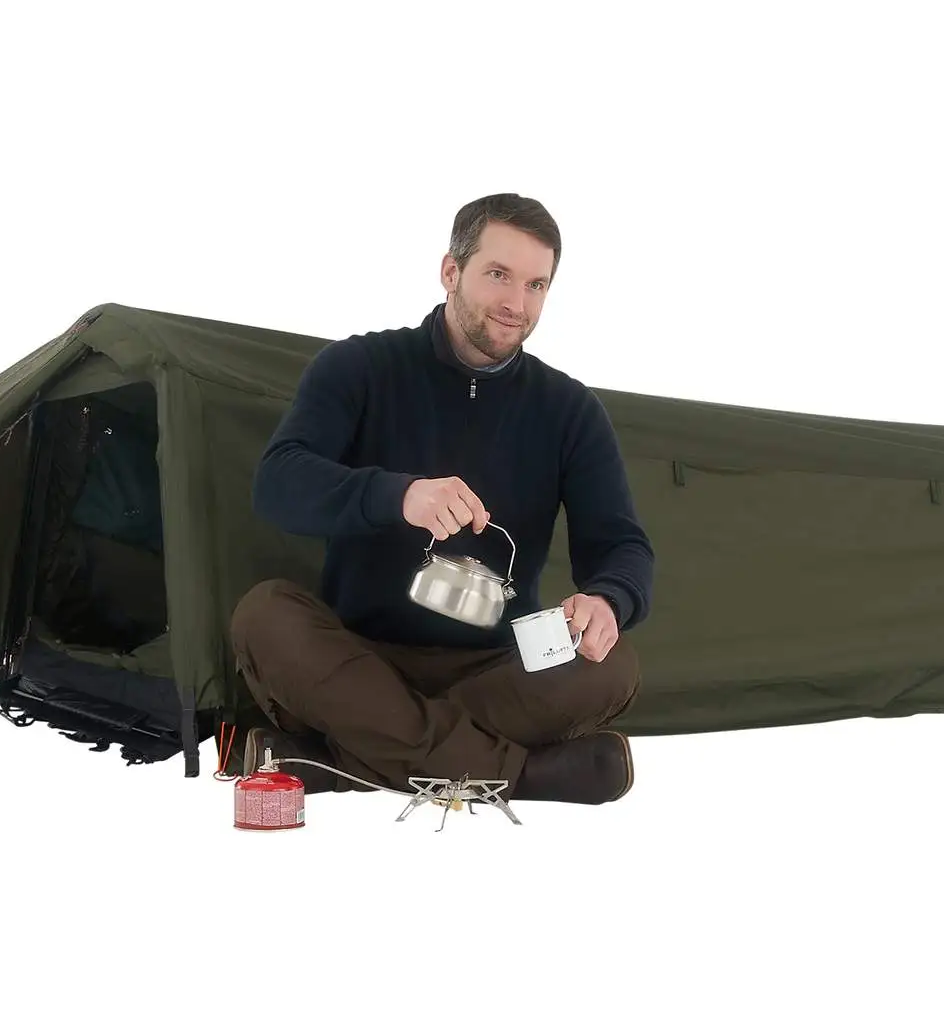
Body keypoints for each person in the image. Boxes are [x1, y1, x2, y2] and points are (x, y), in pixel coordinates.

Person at [229, 196, 654, 804]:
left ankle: (339, 760)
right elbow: (277, 484)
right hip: (358, 655)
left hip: (495, 668)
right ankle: (526, 776)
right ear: (451, 271)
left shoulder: (570, 410)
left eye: (536, 284)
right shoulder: (359, 366)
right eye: (499, 274)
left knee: (613, 664)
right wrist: (396, 495)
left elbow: (623, 546)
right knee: (263, 615)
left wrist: (609, 599)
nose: (517, 304)